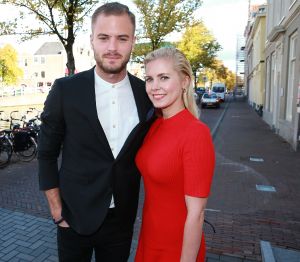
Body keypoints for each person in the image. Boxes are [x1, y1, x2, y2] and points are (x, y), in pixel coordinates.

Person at [38, 2, 154, 261]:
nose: (112, 48)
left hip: (121, 222)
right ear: (91, 40)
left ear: (133, 41)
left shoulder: (145, 94)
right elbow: (46, 154)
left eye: (122, 38)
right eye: (104, 38)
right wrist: (58, 212)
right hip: (73, 218)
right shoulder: (65, 90)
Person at [135, 47, 215, 262]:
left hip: (177, 248)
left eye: (164, 78)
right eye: (149, 79)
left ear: (185, 81)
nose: (155, 87)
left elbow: (196, 215)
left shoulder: (196, 133)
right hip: (149, 237)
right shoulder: (156, 125)